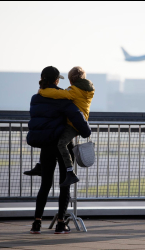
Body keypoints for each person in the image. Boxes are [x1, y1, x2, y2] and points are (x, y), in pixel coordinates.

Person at [27, 66, 91, 234]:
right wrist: (86, 132)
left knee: (45, 184)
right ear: (56, 80)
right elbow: (76, 115)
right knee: (65, 184)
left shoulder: (36, 97)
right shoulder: (62, 97)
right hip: (62, 144)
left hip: (46, 145)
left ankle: (36, 223)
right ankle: (61, 224)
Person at [38, 66, 95, 187]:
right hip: (78, 121)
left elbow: (58, 93)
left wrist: (43, 91)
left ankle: (70, 172)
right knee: (53, 135)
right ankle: (40, 165)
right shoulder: (86, 89)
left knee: (61, 143)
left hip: (73, 123)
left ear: (71, 80)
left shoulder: (75, 90)